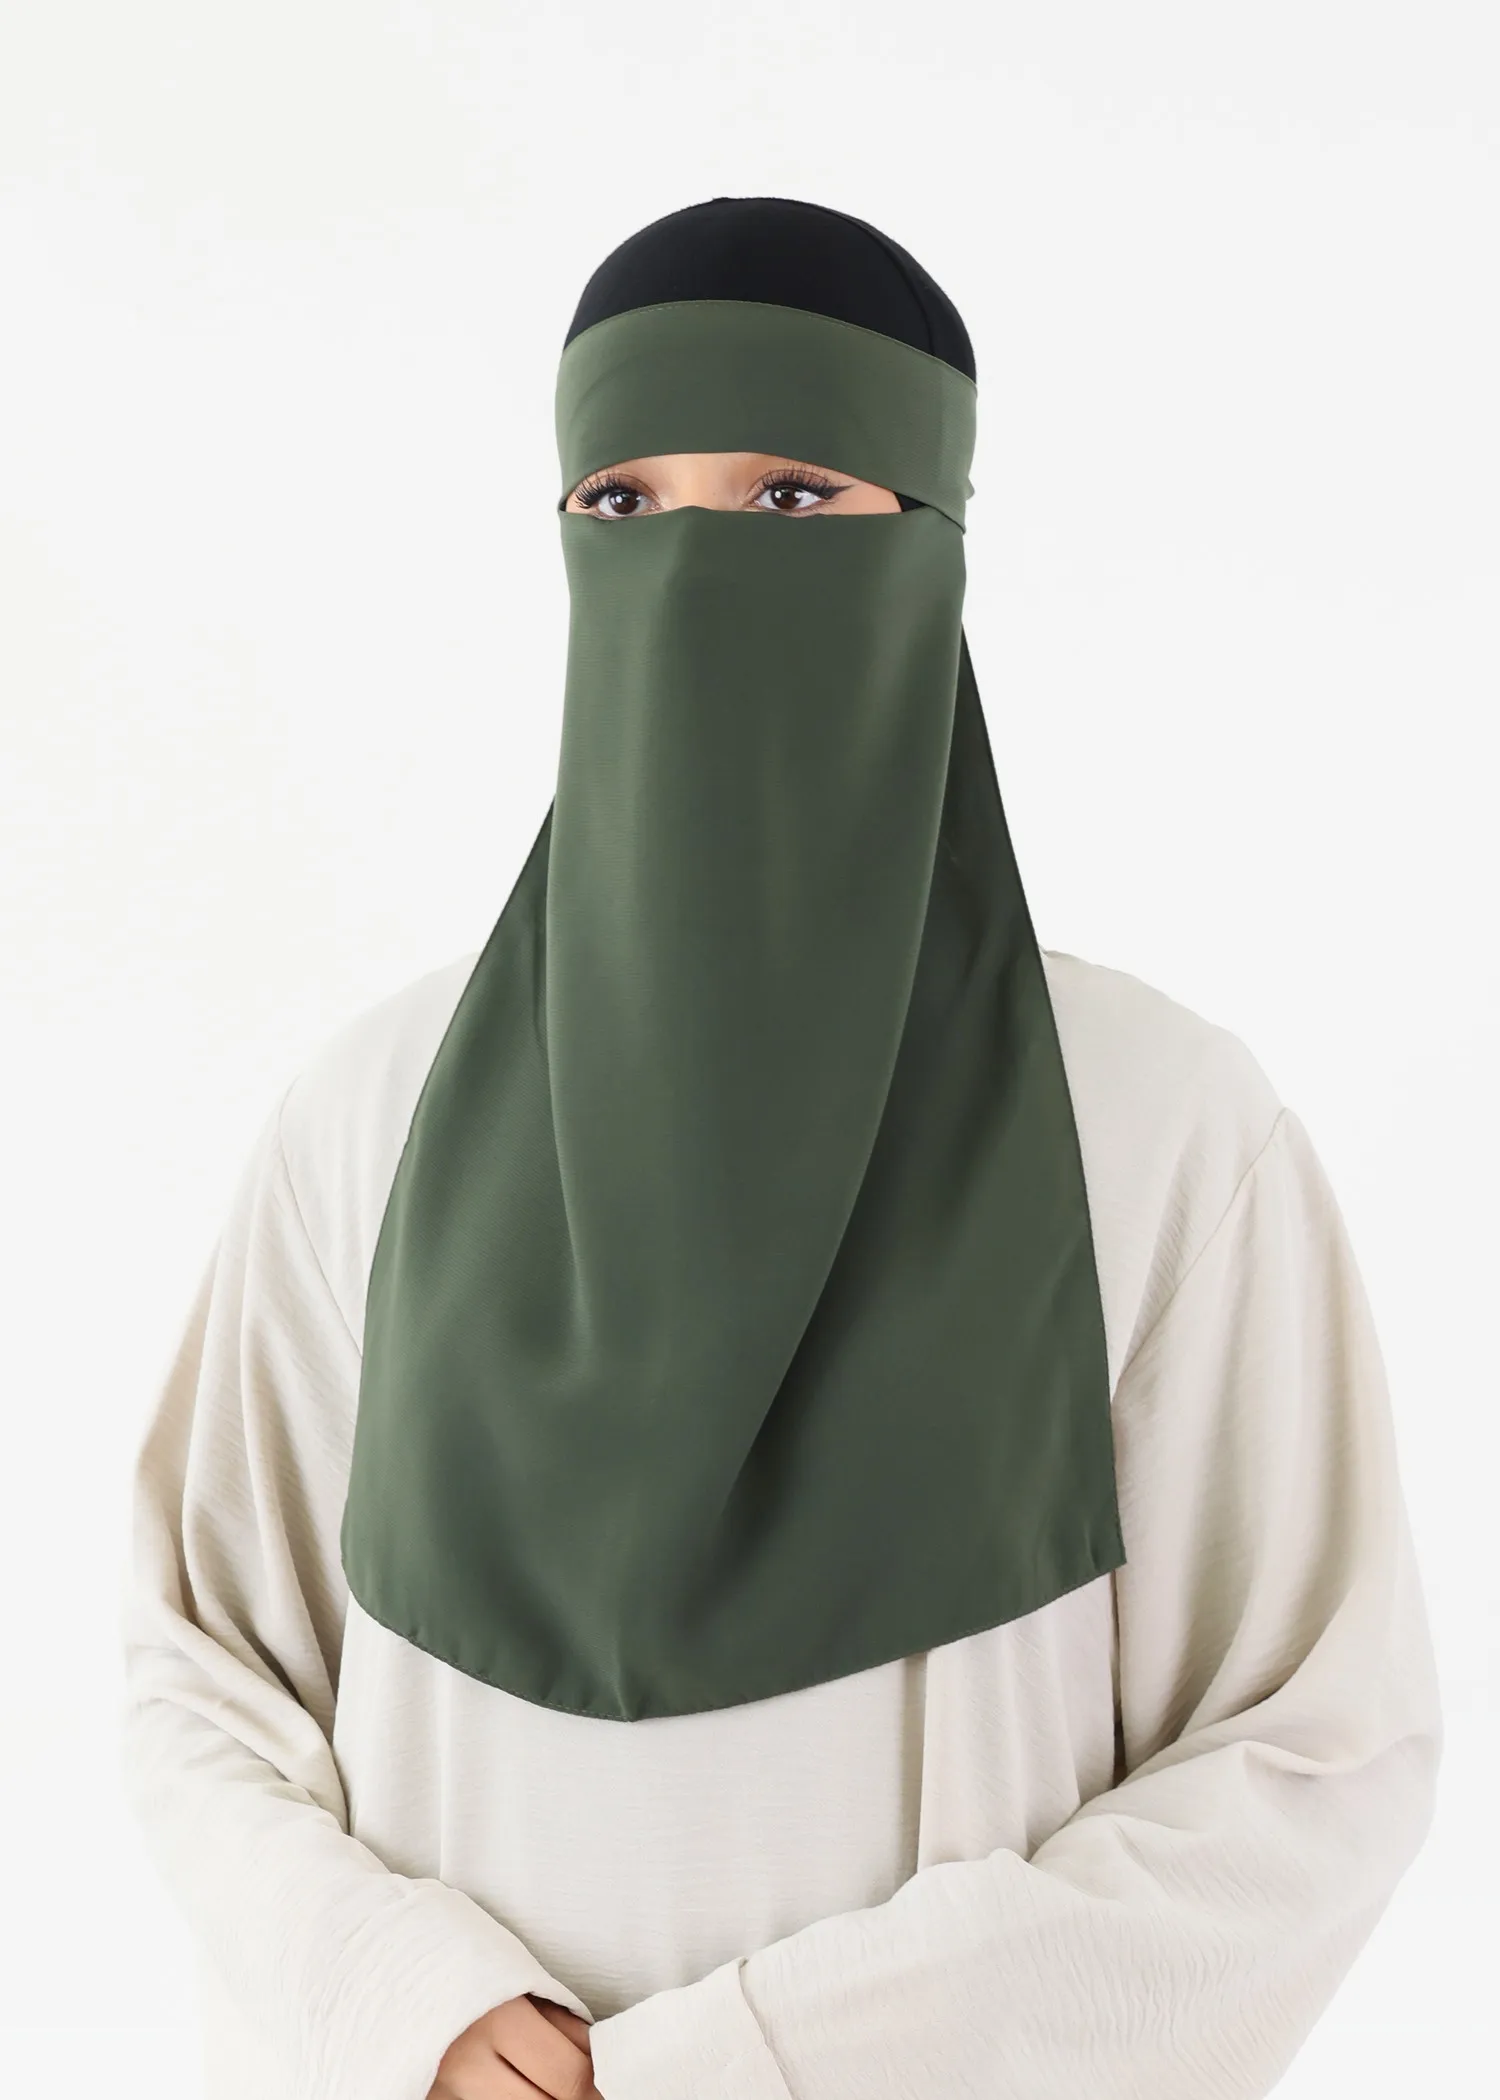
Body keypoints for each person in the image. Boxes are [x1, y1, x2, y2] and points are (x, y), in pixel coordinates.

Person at [117, 196, 1443, 2100]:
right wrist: (405, 2002)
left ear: (933, 540)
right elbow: (204, 1666)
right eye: (623, 501)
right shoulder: (370, 1114)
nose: (694, 566)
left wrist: (741, 2066)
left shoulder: (1157, 1128)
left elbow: (1309, 1758)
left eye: (795, 496)